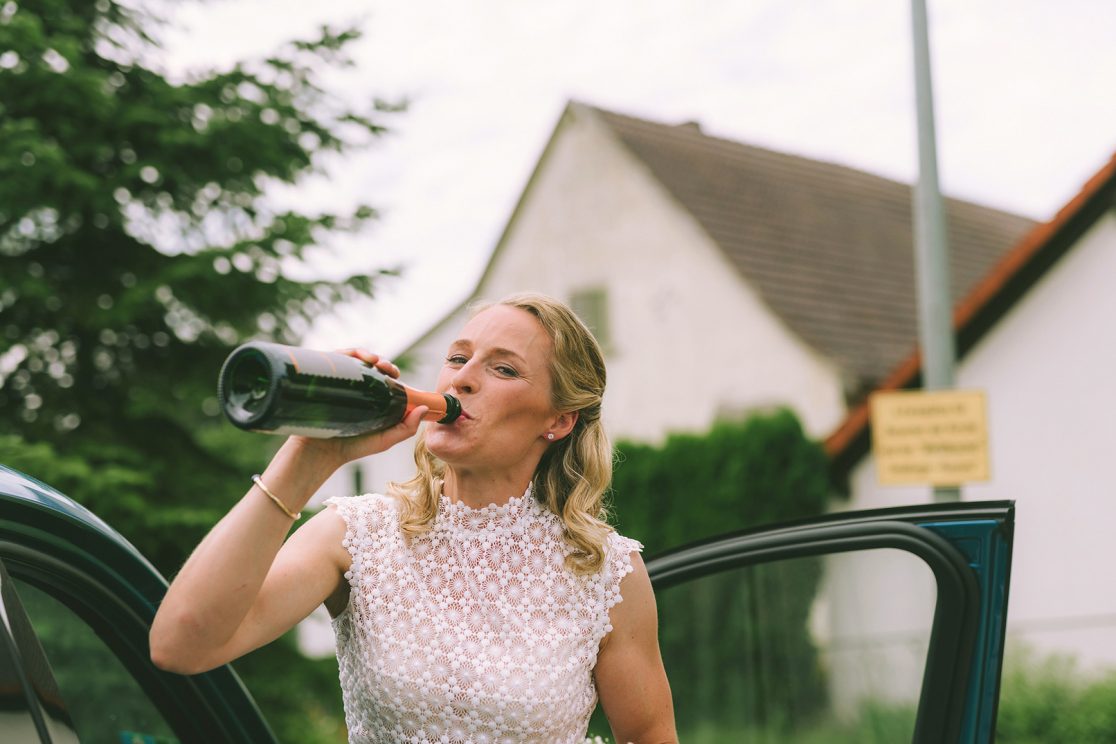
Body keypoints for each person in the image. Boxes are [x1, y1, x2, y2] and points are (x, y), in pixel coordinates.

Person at [150, 292, 678, 744]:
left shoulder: (604, 571)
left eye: (503, 368)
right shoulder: (357, 535)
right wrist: (307, 457)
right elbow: (181, 645)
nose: (463, 379)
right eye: (457, 358)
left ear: (559, 420)